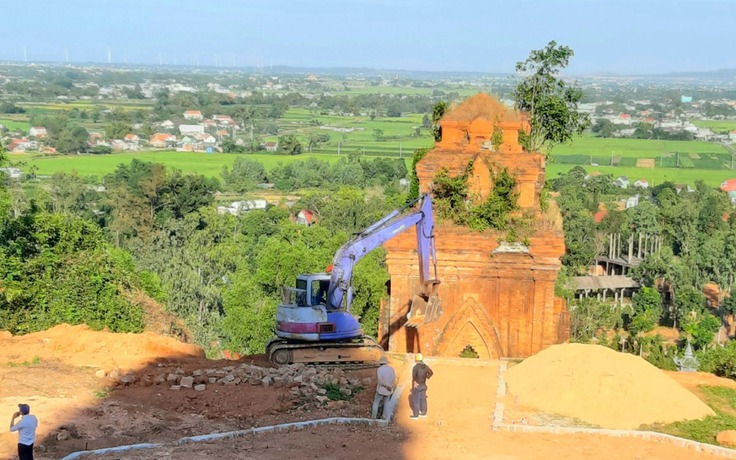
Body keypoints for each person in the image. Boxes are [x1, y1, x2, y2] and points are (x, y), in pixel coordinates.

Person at [410, 353, 433, 419]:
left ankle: (416, 415)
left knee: (416, 400)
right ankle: (424, 413)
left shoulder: (415, 367)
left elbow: (414, 376)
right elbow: (431, 372)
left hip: (417, 385)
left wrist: (415, 382)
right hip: (423, 385)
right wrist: (427, 377)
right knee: (423, 399)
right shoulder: (426, 366)